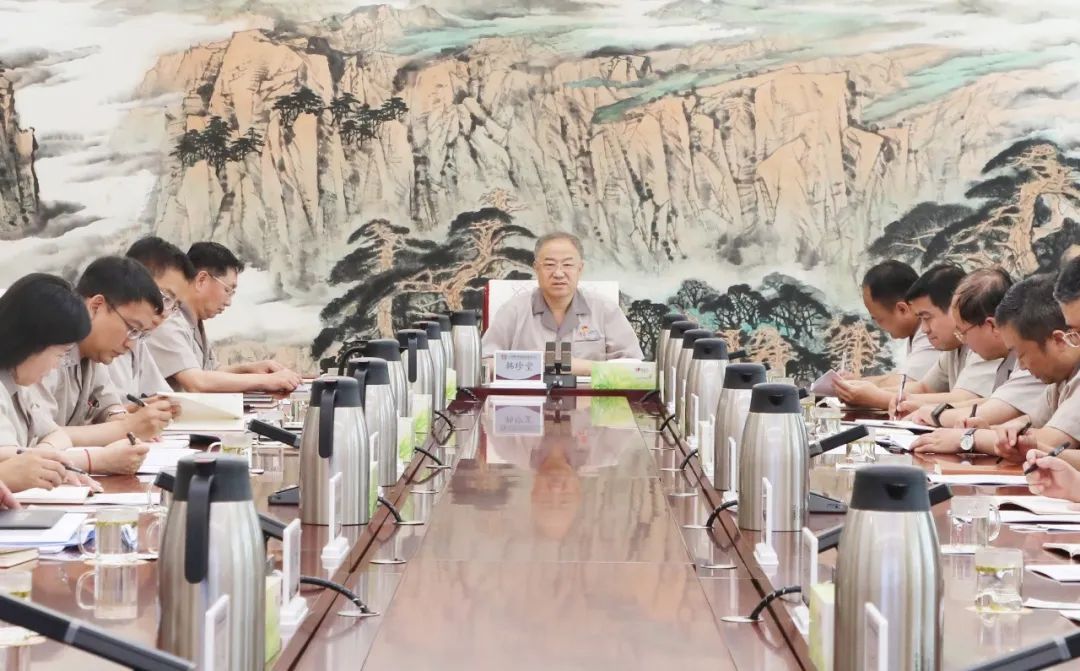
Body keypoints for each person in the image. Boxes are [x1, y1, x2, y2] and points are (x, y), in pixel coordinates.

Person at [0, 274, 127, 487]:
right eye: (60, 354)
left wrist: (45, 454)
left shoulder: (19, 384)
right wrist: (93, 460)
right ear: (32, 341)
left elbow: (57, 434)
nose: (56, 366)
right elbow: (9, 461)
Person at [33, 257, 174, 447]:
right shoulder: (48, 346)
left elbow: (107, 405)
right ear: (96, 306)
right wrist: (126, 428)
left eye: (139, 334)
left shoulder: (93, 353)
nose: (130, 345)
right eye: (132, 329)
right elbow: (37, 435)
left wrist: (122, 418)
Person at [909, 271, 1050, 454]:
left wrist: (936, 415)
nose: (963, 341)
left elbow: (1050, 439)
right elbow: (1005, 414)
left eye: (963, 332)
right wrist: (987, 431)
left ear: (992, 325)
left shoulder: (1033, 359)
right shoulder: (1010, 358)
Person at [146, 241, 302, 393]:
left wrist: (250, 369)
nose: (228, 302)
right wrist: (268, 381)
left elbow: (212, 372)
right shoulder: (169, 321)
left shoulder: (193, 322)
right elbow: (197, 382)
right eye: (228, 290)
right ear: (202, 280)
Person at [481, 232, 643, 375]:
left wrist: (582, 367)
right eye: (549, 265)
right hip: (529, 397)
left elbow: (634, 367)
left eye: (567, 265)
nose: (558, 273)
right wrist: (539, 365)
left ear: (580, 268)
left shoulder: (605, 310)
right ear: (536, 268)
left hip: (592, 398)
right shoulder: (513, 310)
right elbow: (484, 363)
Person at [994, 265, 1080, 467]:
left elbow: (1051, 441)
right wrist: (1013, 431)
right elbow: (1033, 425)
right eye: (1074, 330)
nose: (1074, 339)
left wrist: (969, 437)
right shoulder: (1060, 379)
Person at [835, 261, 939, 407]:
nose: (926, 327)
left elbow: (906, 383)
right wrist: (857, 384)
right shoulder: (918, 332)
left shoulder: (931, 335)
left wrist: (863, 389)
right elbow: (917, 386)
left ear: (902, 309)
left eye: (879, 319)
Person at [107, 236, 188, 397]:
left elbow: (161, 394)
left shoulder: (138, 340)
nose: (165, 313)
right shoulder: (98, 341)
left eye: (174, 306)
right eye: (165, 298)